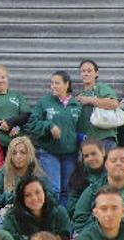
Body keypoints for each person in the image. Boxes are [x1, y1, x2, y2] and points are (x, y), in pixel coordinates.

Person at [31, 70, 82, 205]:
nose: (53, 86)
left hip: (70, 154)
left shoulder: (76, 105)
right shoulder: (44, 102)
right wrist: (49, 126)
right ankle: (51, 220)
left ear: (66, 84)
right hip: (49, 152)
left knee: (67, 189)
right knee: (54, 189)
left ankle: (63, 222)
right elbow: (32, 123)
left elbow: (80, 129)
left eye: (57, 83)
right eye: (52, 83)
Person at [2, 175, 71, 240]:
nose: (34, 198)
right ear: (21, 199)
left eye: (38, 192)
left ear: (44, 193)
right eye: (28, 195)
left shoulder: (59, 212)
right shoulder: (11, 218)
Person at [0, 136, 47, 228]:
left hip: (32, 214)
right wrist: (10, 197)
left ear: (29, 154)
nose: (18, 156)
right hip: (8, 214)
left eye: (22, 153)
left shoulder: (37, 174)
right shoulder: (1, 173)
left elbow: (50, 195)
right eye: (14, 153)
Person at [75, 59, 120, 149]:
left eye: (89, 71)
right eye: (83, 71)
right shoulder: (79, 97)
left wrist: (90, 100)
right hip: (87, 143)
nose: (86, 73)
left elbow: (114, 104)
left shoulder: (101, 88)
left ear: (96, 73)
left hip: (105, 139)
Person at [65, 138, 106, 218]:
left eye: (94, 154)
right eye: (86, 156)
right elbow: (71, 208)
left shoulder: (114, 173)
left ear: (103, 152)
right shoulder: (77, 177)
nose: (90, 158)